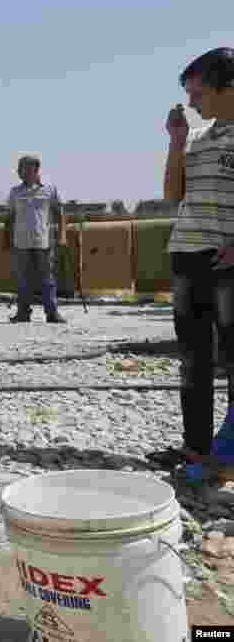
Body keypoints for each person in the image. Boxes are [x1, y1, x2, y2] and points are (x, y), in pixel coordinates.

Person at [150, 47, 234, 470]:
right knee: (193, 360)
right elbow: (172, 194)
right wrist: (178, 140)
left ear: (227, 87)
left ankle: (231, 454)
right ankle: (196, 448)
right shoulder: (197, 138)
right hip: (186, 254)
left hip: (228, 263)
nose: (192, 103)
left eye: (198, 94)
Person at [3, 155, 67, 324]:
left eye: (22, 168)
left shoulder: (50, 189)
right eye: (19, 169)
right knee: (23, 279)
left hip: (43, 242)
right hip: (21, 242)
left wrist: (62, 236)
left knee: (47, 279)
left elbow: (60, 213)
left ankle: (52, 314)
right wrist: (5, 239)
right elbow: (9, 217)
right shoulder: (15, 192)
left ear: (35, 169)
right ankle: (23, 313)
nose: (19, 172)